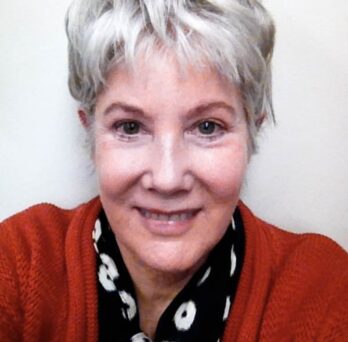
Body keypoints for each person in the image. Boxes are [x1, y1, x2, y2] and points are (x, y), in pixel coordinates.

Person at [0, 0, 347, 341]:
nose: (167, 179)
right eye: (130, 127)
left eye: (208, 127)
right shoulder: (20, 263)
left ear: (251, 133)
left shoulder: (325, 289)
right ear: (90, 134)